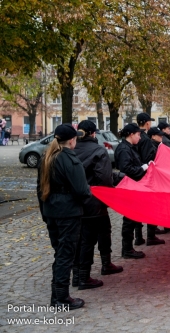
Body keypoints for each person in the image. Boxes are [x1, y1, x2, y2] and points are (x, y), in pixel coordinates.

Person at [37, 124, 90, 310]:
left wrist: (45, 212)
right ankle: (60, 298)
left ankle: (58, 295)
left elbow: (39, 188)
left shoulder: (47, 157)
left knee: (60, 253)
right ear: (72, 140)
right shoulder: (69, 159)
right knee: (65, 255)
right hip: (68, 213)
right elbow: (82, 190)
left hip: (51, 211)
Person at [73, 120, 123, 291]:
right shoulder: (98, 150)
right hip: (95, 202)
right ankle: (87, 275)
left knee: (80, 239)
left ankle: (77, 274)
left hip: (75, 202)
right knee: (94, 237)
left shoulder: (70, 150)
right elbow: (105, 178)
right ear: (93, 133)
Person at [114, 124, 149, 260]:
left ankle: (129, 247)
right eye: (138, 135)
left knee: (132, 217)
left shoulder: (129, 148)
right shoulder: (124, 149)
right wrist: (143, 168)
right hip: (128, 187)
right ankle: (127, 248)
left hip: (132, 186)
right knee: (129, 219)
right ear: (130, 134)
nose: (140, 137)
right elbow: (127, 169)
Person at [136, 113, 166, 241]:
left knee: (136, 209)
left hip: (135, 175)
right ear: (147, 123)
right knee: (151, 205)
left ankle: (138, 237)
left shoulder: (133, 137)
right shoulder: (146, 140)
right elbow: (149, 159)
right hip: (146, 176)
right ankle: (151, 235)